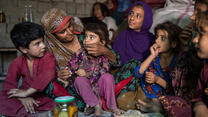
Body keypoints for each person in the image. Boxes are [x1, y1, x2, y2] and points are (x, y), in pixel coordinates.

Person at [40, 8, 121, 111]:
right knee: (50, 86)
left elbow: (117, 62)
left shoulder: (86, 38)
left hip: (100, 82)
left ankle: (103, 102)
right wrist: (58, 75)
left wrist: (105, 51)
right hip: (78, 87)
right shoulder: (50, 51)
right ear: (52, 35)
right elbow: (66, 69)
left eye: (69, 26)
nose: (70, 32)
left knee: (120, 72)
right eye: (63, 31)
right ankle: (92, 103)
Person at [67, 22, 123, 116]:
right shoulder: (80, 53)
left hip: (99, 87)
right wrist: (72, 71)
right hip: (86, 88)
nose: (86, 40)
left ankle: (113, 106)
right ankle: (96, 105)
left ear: (102, 43)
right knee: (80, 80)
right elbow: (71, 64)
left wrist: (87, 74)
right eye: (86, 36)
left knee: (108, 77)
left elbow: (103, 71)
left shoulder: (104, 56)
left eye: (91, 37)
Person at [0, 22, 56, 116]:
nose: (43, 46)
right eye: (37, 44)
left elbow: (47, 74)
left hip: (43, 99)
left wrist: (27, 92)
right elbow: (9, 85)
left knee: (55, 103)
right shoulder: (17, 62)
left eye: (42, 41)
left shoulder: (48, 57)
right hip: (25, 97)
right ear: (23, 49)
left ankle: (24, 112)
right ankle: (25, 111)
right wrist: (22, 98)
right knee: (2, 96)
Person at [134, 21, 181, 109]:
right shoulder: (155, 57)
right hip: (146, 93)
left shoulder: (178, 62)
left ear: (173, 44)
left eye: (162, 38)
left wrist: (157, 79)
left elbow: (176, 89)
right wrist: (151, 56)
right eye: (157, 37)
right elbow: (138, 72)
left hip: (165, 97)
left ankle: (156, 107)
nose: (156, 40)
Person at [112, 1, 155, 97]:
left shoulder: (152, 40)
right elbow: (115, 63)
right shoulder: (122, 37)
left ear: (146, 20)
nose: (132, 18)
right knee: (134, 63)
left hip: (144, 80)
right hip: (122, 81)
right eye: (131, 14)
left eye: (138, 16)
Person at [192, 11, 208, 117]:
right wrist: (200, 107)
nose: (194, 40)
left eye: (201, 34)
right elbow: (198, 96)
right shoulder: (205, 70)